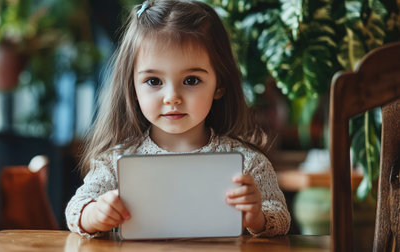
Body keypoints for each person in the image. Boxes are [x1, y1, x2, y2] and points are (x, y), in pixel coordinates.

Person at [65, 0, 290, 238]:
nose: (172, 98)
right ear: (132, 87)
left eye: (191, 80)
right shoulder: (115, 161)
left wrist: (257, 217)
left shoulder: (248, 163)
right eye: (154, 81)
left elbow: (281, 218)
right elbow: (76, 207)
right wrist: (95, 214)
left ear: (219, 84)